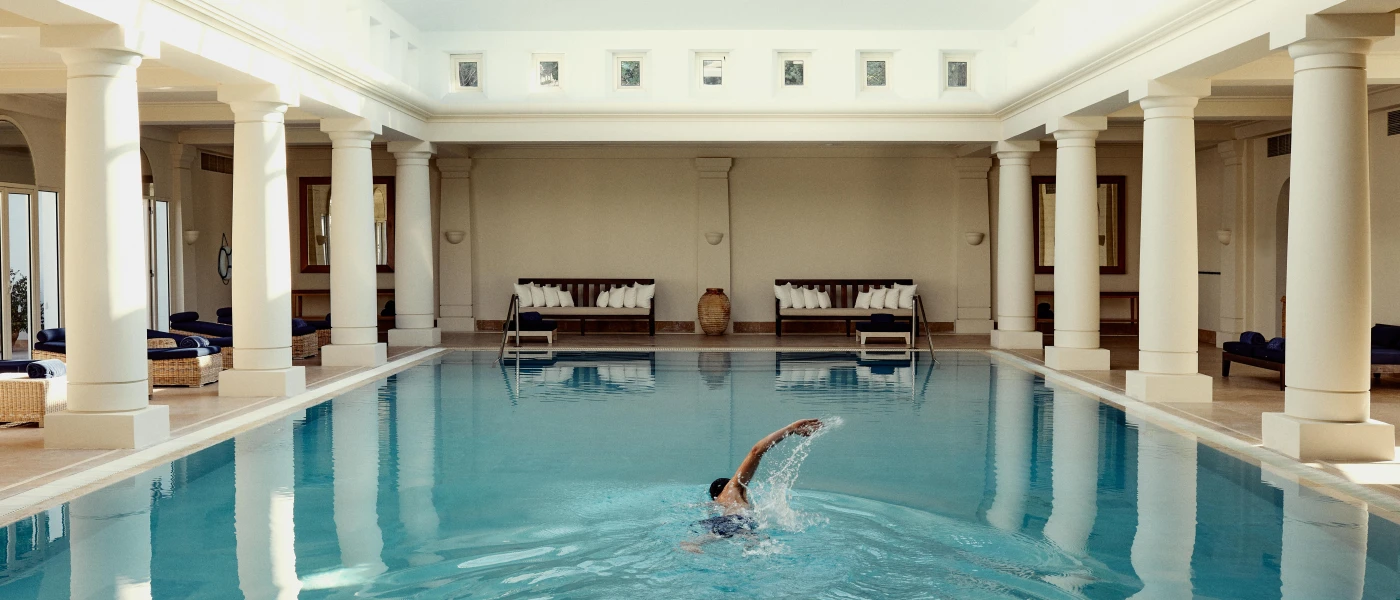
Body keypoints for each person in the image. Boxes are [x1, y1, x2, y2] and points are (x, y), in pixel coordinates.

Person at [684, 419, 823, 550]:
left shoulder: (720, 502)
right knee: (761, 543)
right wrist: (790, 429)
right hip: (739, 521)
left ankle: (693, 544)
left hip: (724, 522)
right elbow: (756, 451)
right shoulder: (733, 488)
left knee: (715, 536)